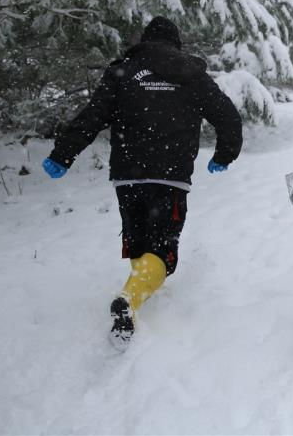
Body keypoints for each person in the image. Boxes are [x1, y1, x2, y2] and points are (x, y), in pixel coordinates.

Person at [43, 17, 243, 348]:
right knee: (163, 251)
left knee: (139, 244)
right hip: (171, 177)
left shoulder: (123, 72)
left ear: (145, 41)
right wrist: (224, 155)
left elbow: (92, 116)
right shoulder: (192, 76)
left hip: (128, 176)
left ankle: (134, 297)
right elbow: (227, 117)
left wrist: (63, 154)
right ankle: (130, 298)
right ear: (176, 45)